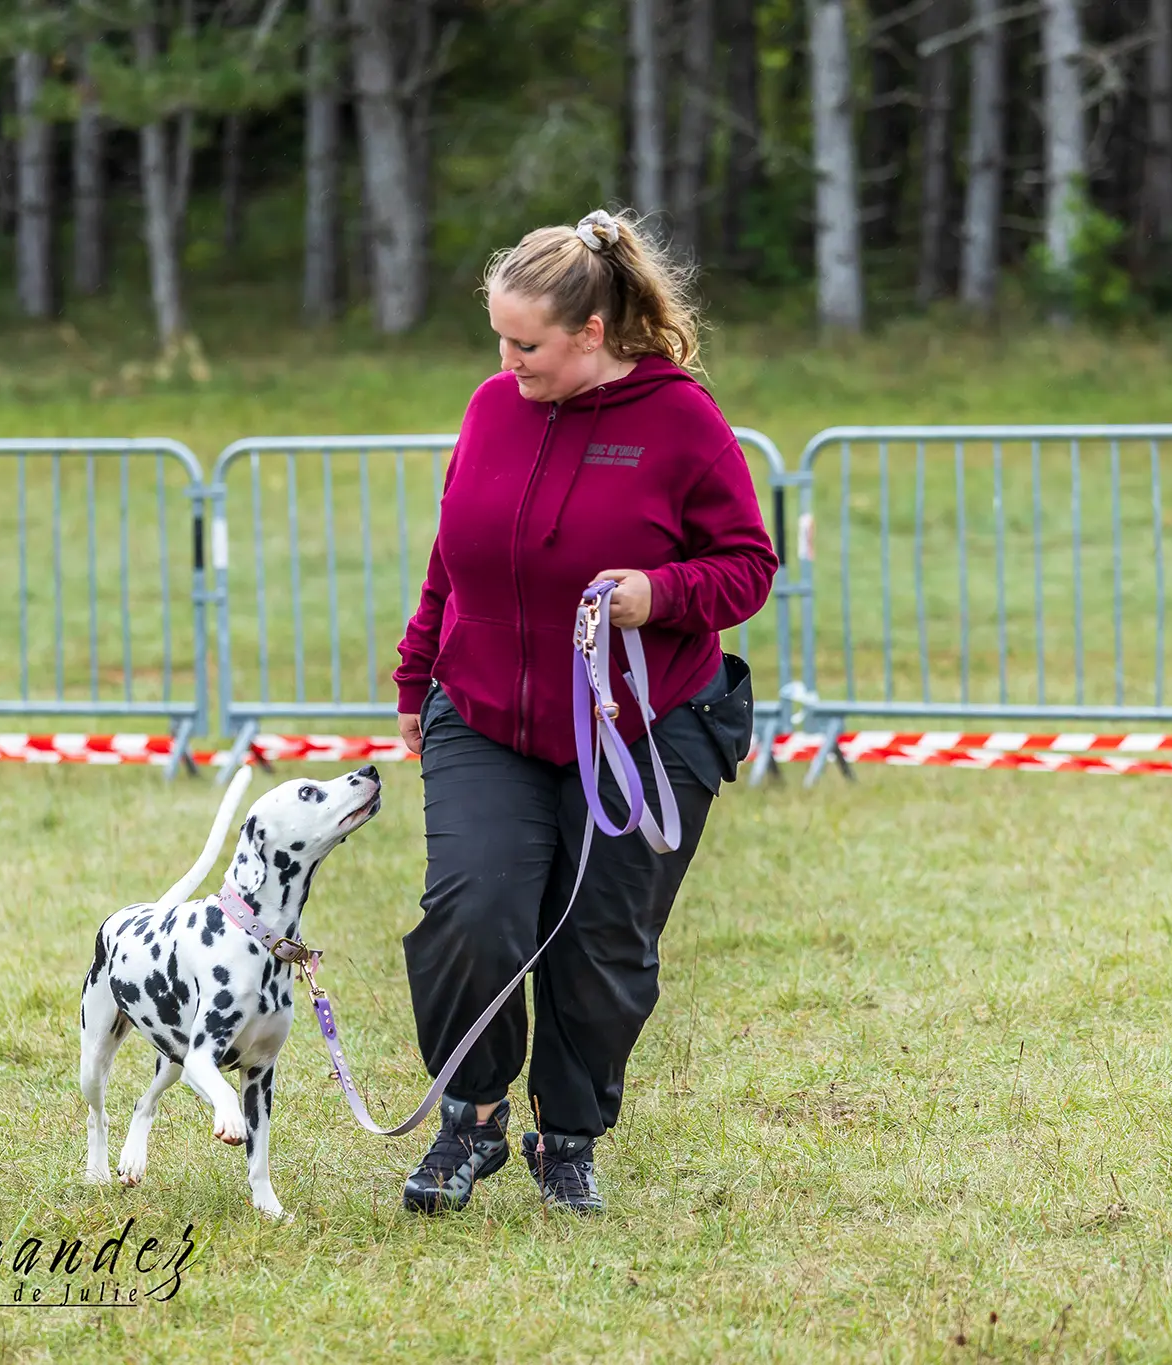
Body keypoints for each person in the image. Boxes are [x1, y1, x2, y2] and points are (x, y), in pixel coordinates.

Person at [392, 208, 777, 1215]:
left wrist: (658, 596)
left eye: (525, 345)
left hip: (643, 728)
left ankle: (567, 1137)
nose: (506, 361)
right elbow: (452, 556)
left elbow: (745, 568)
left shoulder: (682, 420)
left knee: (599, 945)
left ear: (590, 335)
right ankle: (466, 1123)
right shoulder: (490, 409)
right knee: (471, 914)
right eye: (498, 340)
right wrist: (413, 679)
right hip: (483, 717)